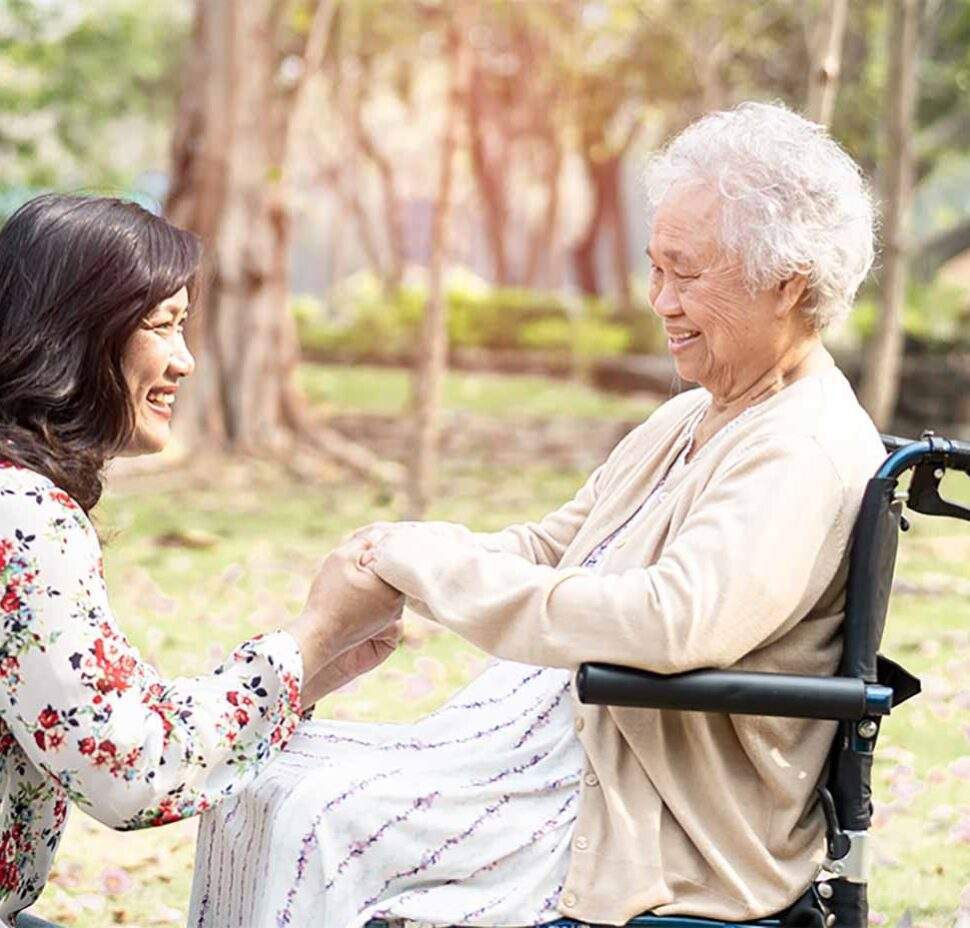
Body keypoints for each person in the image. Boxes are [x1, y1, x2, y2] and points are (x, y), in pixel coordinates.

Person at [191, 101, 887, 927]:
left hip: (648, 816)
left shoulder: (802, 446)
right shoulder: (697, 413)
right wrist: (400, 557)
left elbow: (670, 623)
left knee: (320, 818)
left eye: (685, 273)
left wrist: (439, 573)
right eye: (654, 267)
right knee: (253, 780)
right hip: (559, 758)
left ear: (788, 283)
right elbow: (559, 544)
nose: (657, 299)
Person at [0, 194, 403, 928]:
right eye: (163, 326)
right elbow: (128, 767)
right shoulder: (22, 514)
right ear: (75, 334)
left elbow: (120, 711)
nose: (184, 361)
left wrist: (318, 666)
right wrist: (311, 635)